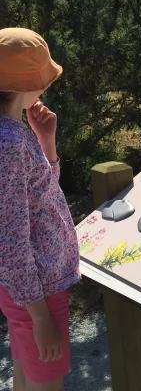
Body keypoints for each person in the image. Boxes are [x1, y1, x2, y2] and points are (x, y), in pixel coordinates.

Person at [0, 28, 81, 391]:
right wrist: (40, 317)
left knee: (27, 371)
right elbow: (10, 239)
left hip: (23, 288)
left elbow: (36, 197)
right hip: (38, 289)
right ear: (25, 84)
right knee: (46, 382)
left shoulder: (12, 133)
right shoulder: (9, 143)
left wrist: (47, 145)